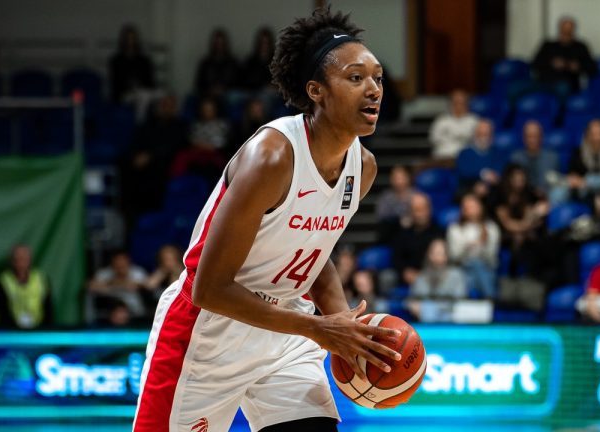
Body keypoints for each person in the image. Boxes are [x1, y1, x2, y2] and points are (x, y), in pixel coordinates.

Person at [133, 8, 400, 431]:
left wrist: (343, 325)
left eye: (378, 78)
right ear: (317, 90)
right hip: (207, 332)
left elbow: (315, 256)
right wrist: (319, 328)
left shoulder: (362, 168)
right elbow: (209, 287)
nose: (373, 90)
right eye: (355, 78)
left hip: (286, 335)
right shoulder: (273, 156)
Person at [120, 94, 189, 223]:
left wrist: (151, 156)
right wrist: (136, 156)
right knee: (125, 168)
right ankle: (130, 220)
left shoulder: (180, 126)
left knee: (154, 179)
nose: (166, 108)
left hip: (164, 167)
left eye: (169, 105)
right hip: (142, 168)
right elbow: (136, 144)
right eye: (163, 104)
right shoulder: (148, 125)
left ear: (175, 108)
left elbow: (176, 147)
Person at [447, 194, 500, 299]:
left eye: (473, 206)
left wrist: (484, 244)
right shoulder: (454, 229)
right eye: (466, 206)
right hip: (462, 269)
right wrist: (468, 248)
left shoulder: (491, 228)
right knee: (468, 274)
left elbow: (491, 258)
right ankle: (490, 299)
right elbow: (454, 257)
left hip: (486, 269)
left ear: (480, 207)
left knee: (478, 267)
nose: (469, 209)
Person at [0, 244, 53, 329]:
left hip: (38, 330)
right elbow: (1, 311)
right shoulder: (3, 281)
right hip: (10, 331)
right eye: (17, 258)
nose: (21, 262)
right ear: (12, 261)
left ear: (30, 260)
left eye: (24, 258)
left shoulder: (41, 279)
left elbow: (48, 309)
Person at [389, 193, 444, 287]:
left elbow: (442, 259)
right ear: (411, 212)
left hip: (432, 275)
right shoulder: (403, 233)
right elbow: (396, 258)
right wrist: (404, 271)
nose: (420, 214)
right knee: (388, 277)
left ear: (429, 210)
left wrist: (422, 275)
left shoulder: (439, 232)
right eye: (416, 210)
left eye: (423, 209)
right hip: (407, 276)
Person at [532, 16, 597, 95]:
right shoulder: (548, 45)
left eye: (569, 31)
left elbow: (592, 68)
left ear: (573, 31)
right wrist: (552, 64)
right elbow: (535, 64)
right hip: (543, 81)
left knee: (562, 88)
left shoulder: (580, 47)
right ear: (560, 30)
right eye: (564, 31)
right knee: (518, 87)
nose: (566, 33)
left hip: (567, 83)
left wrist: (578, 67)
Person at [406, 239, 467, 322]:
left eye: (439, 253)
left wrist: (431, 309)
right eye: (433, 253)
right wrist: (415, 306)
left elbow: (460, 300)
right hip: (427, 322)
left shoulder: (456, 275)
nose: (435, 256)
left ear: (446, 256)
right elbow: (413, 300)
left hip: (451, 320)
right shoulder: (422, 276)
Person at [170, 97, 228, 183]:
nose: (206, 112)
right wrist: (199, 145)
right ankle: (175, 184)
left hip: (213, 153)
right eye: (204, 109)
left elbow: (220, 143)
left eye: (209, 109)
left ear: (215, 110)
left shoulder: (222, 124)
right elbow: (191, 139)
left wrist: (205, 146)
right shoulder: (196, 124)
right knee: (181, 157)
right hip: (196, 151)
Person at [88, 251, 150, 321]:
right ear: (112, 264)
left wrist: (136, 285)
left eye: (123, 264)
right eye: (117, 264)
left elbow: (149, 285)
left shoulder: (137, 272)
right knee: (118, 312)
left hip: (134, 308)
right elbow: (91, 286)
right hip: (110, 307)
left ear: (128, 263)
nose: (120, 267)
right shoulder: (104, 273)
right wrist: (116, 283)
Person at [564, 119, 600, 202]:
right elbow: (573, 178)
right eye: (593, 134)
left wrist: (587, 182)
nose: (596, 138)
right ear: (587, 135)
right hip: (584, 195)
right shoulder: (577, 154)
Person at [455, 119, 506, 196]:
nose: (484, 138)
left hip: (493, 191)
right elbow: (463, 172)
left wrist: (489, 183)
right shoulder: (465, 153)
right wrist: (483, 174)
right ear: (475, 135)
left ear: (492, 136)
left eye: (487, 134)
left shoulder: (498, 153)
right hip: (470, 189)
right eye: (481, 134)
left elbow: (500, 171)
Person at [510, 120, 560, 195]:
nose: (532, 140)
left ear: (541, 137)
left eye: (535, 136)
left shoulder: (552, 158)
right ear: (524, 138)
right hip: (523, 198)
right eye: (529, 136)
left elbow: (557, 182)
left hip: (547, 197)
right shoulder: (516, 159)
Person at [109, 25, 156, 104]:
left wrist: (141, 87)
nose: (130, 41)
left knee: (148, 95)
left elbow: (150, 80)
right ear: (123, 40)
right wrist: (130, 88)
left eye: (133, 38)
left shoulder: (144, 60)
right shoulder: (116, 60)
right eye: (128, 38)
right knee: (142, 97)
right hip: (124, 94)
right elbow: (115, 83)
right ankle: (140, 116)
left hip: (144, 91)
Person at [429, 89, 479, 159]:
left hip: (467, 158)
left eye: (461, 103)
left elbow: (477, 142)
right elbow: (434, 139)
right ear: (451, 103)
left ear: (466, 104)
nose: (458, 106)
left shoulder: (474, 121)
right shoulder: (441, 120)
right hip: (444, 156)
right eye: (456, 102)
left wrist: (450, 136)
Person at [194, 28, 240, 98]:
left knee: (234, 96)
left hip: (228, 94)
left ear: (225, 44)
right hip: (209, 93)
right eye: (217, 43)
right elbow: (199, 83)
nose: (219, 46)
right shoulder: (205, 63)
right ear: (213, 44)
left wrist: (224, 89)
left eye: (221, 43)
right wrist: (211, 89)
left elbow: (238, 83)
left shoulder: (233, 62)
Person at [334, 248, 377, 313]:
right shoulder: (334, 276)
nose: (346, 262)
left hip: (359, 303)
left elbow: (368, 294)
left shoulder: (358, 275)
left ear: (354, 261)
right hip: (342, 305)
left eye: (349, 259)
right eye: (344, 259)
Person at [240, 27, 276, 92]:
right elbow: (244, 81)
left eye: (266, 43)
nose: (264, 46)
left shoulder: (276, 62)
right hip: (252, 92)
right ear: (258, 44)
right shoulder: (250, 61)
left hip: (269, 94)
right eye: (262, 43)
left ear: (270, 44)